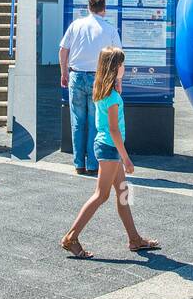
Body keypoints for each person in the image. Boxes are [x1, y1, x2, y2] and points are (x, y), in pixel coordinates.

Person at [60, 47, 161, 260]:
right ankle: (71, 237)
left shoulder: (103, 91)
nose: (125, 68)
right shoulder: (113, 97)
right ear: (115, 67)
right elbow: (114, 130)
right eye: (122, 64)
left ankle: (134, 238)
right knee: (101, 194)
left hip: (107, 147)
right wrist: (126, 158)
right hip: (110, 149)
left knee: (123, 192)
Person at [59, 0, 123, 175]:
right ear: (104, 9)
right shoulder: (110, 29)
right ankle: (94, 164)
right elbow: (117, 58)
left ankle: (79, 163)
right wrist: (118, 81)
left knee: (77, 122)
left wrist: (64, 72)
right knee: (96, 121)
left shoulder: (76, 25)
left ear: (88, 7)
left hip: (76, 76)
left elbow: (63, 50)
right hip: (99, 79)